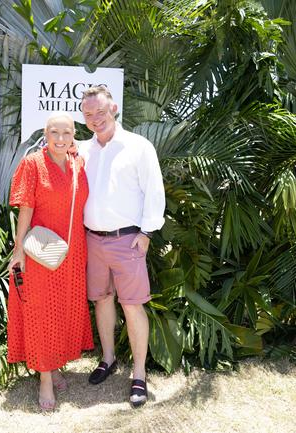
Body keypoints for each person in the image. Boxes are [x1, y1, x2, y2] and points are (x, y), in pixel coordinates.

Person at [78, 86, 165, 407]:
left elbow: (154, 190)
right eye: (88, 115)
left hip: (128, 239)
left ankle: (139, 374)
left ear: (113, 107)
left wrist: (146, 232)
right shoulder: (84, 150)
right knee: (101, 300)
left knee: (131, 305)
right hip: (93, 239)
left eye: (100, 112)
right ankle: (109, 358)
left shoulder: (138, 146)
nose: (95, 119)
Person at [7, 112, 94, 411]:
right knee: (42, 313)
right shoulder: (32, 164)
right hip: (41, 252)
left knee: (62, 312)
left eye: (66, 133)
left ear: (74, 135)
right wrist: (18, 250)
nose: (60, 139)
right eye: (54, 132)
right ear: (44, 134)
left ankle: (54, 366)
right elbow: (26, 209)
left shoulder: (78, 163)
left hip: (72, 253)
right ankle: (45, 379)